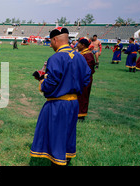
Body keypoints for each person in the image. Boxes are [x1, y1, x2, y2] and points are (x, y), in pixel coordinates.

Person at [30, 28, 91, 166]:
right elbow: (86, 78)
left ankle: (57, 162)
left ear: (55, 40)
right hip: (74, 103)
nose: (50, 45)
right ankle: (66, 160)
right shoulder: (80, 57)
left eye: (51, 42)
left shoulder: (55, 58)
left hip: (58, 104)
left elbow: (50, 84)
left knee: (56, 137)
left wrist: (41, 81)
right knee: (68, 136)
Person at [76, 37, 96, 121]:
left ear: (83, 45)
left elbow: (88, 69)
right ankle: (77, 113)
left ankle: (81, 115)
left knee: (83, 97)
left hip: (85, 79)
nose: (77, 45)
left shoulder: (88, 55)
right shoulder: (83, 53)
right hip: (80, 78)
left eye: (79, 44)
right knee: (79, 96)